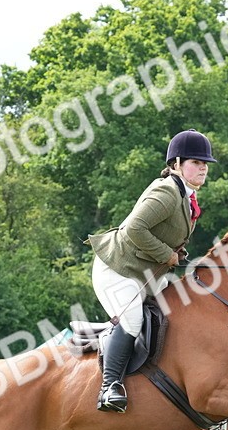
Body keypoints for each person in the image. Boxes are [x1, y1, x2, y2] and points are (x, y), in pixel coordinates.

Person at [86, 129, 215, 412]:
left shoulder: (186, 196)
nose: (203, 167)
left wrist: (176, 253)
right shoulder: (167, 191)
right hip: (117, 269)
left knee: (177, 308)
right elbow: (134, 228)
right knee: (132, 320)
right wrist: (165, 253)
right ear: (177, 163)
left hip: (143, 275)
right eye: (196, 161)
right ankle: (109, 387)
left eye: (205, 163)